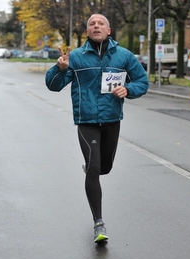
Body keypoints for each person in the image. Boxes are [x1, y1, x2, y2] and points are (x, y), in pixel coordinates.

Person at [45, 14, 149, 243]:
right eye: (92, 24)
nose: (96, 26)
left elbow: (142, 81)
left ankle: (93, 168)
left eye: (101, 23)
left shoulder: (124, 56)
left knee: (105, 168)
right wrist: (59, 68)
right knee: (94, 168)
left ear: (109, 30)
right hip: (87, 121)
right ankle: (98, 223)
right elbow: (53, 86)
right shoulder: (77, 58)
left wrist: (128, 90)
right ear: (87, 31)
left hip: (112, 120)